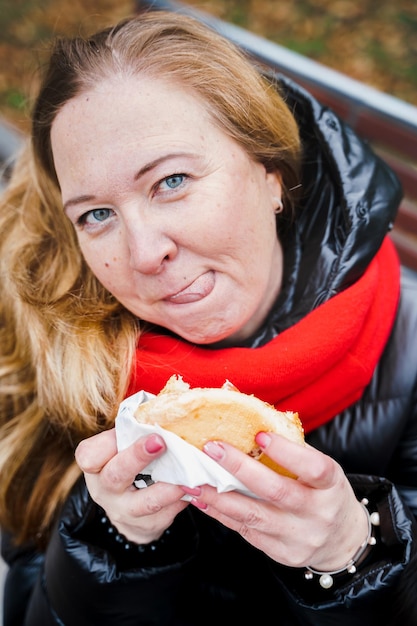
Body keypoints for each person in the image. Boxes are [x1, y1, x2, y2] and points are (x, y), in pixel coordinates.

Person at [0, 9, 416, 626]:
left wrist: (355, 555)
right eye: (96, 215)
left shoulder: (408, 353)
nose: (143, 254)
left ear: (270, 173)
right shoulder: (63, 355)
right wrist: (116, 541)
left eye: (170, 180)